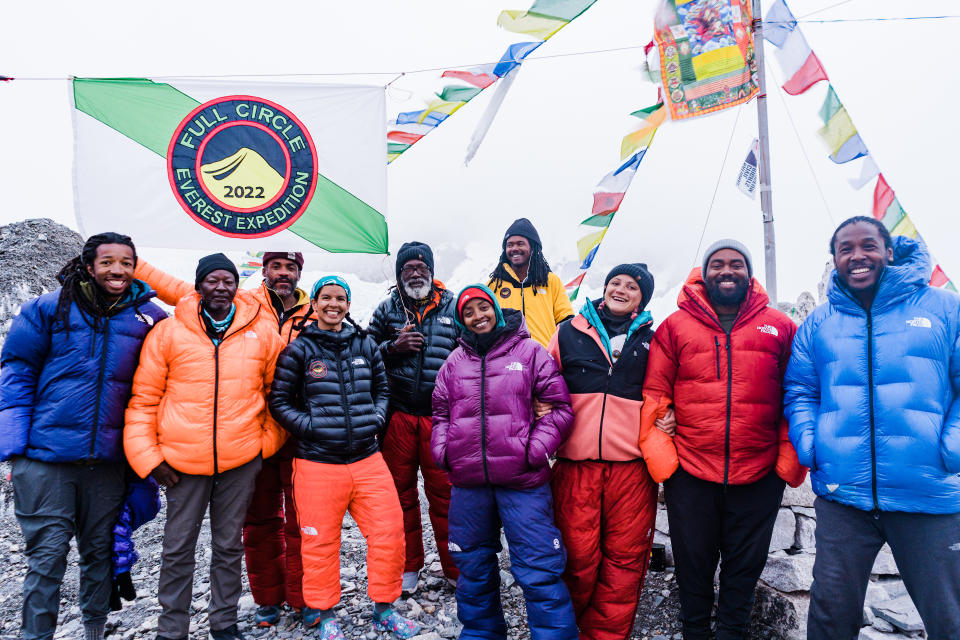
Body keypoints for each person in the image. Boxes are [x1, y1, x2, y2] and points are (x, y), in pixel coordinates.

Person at [784, 217, 960, 639]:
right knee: (829, 615)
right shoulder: (819, 322)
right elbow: (801, 390)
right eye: (846, 249)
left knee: (949, 614)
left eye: (868, 246)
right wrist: (811, 446)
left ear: (890, 252)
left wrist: (951, 450)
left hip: (928, 492)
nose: (857, 256)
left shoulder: (944, 308)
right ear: (835, 259)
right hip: (843, 496)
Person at [0, 232, 166, 640]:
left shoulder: (150, 318)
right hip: (45, 460)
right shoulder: (47, 309)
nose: (118, 270)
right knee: (47, 558)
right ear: (89, 264)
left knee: (100, 555)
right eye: (108, 261)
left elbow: (165, 385)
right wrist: (15, 449)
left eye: (126, 262)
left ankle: (94, 633)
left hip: (108, 464)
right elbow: (16, 373)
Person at [639, 239, 806, 640]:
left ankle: (732, 633)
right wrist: (668, 466)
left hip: (759, 473)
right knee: (693, 567)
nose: (726, 271)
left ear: (749, 273)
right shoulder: (675, 326)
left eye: (736, 264)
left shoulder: (779, 325)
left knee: (744, 569)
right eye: (717, 264)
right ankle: (695, 632)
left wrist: (785, 464)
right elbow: (655, 396)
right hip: (691, 473)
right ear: (704, 272)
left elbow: (798, 393)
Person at [135, 251, 312, 625]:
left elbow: (274, 393)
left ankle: (240, 618)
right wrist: (150, 459)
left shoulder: (290, 320)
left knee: (241, 542)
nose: (220, 288)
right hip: (185, 462)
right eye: (212, 281)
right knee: (183, 547)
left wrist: (262, 445)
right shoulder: (172, 330)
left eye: (227, 281)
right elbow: (144, 400)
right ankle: (174, 629)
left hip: (258, 452)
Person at [268, 275, 421, 640]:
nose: (333, 304)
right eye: (326, 298)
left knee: (388, 532)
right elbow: (279, 402)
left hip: (367, 460)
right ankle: (323, 614)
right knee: (320, 541)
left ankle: (385, 609)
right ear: (315, 304)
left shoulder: (365, 344)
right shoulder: (298, 351)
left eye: (340, 298)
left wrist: (377, 418)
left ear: (348, 305)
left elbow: (382, 389)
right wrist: (312, 426)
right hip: (317, 463)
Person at [432, 284, 578, 640]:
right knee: (472, 566)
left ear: (496, 310)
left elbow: (558, 407)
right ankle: (481, 634)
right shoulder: (454, 363)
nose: (478, 316)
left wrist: (534, 450)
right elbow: (440, 413)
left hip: (523, 482)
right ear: (461, 320)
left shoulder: (529, 352)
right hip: (469, 484)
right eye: (469, 312)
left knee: (538, 566)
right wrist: (444, 452)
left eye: (483, 308)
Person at [548, 263, 672, 640]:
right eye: (615, 282)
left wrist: (674, 417)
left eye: (632, 286)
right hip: (575, 467)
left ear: (641, 299)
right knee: (576, 559)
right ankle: (568, 630)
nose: (621, 289)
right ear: (604, 289)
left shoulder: (655, 341)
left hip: (632, 472)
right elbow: (543, 381)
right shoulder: (568, 332)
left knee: (625, 561)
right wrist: (541, 406)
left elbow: (671, 389)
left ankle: (604, 636)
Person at [367, 241, 460, 592]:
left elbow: (470, 354)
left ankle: (455, 570)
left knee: (446, 497)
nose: (416, 273)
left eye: (422, 268)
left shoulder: (454, 306)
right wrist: (392, 348)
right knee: (398, 496)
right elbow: (364, 353)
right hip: (399, 418)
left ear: (432, 272)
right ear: (399, 274)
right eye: (409, 269)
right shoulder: (386, 309)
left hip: (440, 419)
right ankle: (408, 567)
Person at [487, 218, 573, 347]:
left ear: (532, 247)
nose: (514, 248)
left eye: (520, 243)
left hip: (544, 358)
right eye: (509, 245)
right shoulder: (494, 285)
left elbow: (566, 322)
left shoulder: (550, 281)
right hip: (505, 360)